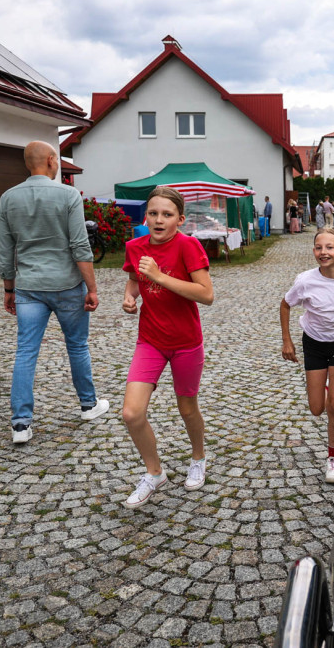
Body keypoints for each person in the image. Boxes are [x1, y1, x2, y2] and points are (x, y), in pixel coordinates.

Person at [0, 141, 109, 445]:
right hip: (67, 285)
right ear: (50, 160)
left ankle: (21, 424)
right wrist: (92, 287)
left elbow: (6, 251)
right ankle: (88, 406)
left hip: (29, 287)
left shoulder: (8, 198)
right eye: (57, 160)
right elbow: (79, 245)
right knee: (77, 346)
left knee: (25, 352)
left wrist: (8, 288)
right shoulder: (68, 195)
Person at [119, 187, 215, 508]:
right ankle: (154, 472)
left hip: (186, 342)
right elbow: (135, 276)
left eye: (167, 214)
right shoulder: (135, 246)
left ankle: (198, 457)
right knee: (132, 413)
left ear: (180, 219)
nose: (159, 220)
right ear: (145, 216)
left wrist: (159, 277)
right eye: (153, 213)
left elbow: (206, 294)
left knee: (187, 408)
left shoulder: (188, 246)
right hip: (151, 340)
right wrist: (130, 295)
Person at [281, 227, 334, 483]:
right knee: (317, 408)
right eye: (319, 247)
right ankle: (328, 388)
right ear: (314, 252)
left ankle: (333, 458)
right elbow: (286, 305)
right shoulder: (306, 280)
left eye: (330, 247)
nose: (323, 252)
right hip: (314, 344)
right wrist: (288, 341)